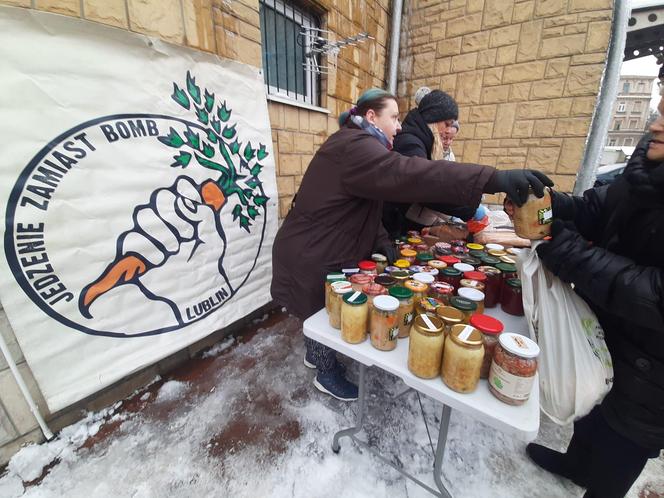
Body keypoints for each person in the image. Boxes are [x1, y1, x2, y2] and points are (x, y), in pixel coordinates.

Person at [270, 88, 552, 401]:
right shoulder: (355, 145)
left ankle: (316, 352)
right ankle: (325, 372)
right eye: (393, 116)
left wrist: (380, 240)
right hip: (311, 251)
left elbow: (362, 208)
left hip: (320, 245)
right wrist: (490, 179)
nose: (399, 125)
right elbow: (407, 173)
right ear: (371, 116)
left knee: (322, 313)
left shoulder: (359, 146)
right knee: (321, 309)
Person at [525, 88, 664, 497]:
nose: (655, 124)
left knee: (624, 439)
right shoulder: (645, 168)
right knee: (592, 406)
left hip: (653, 368)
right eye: (659, 111)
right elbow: (599, 207)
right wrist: (550, 205)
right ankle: (575, 464)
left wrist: (569, 254)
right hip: (606, 325)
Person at [382, 89, 478, 238]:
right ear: (433, 118)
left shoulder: (422, 140)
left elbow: (441, 175)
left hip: (403, 218)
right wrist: (468, 207)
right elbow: (427, 187)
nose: (446, 130)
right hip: (394, 222)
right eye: (446, 124)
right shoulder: (410, 143)